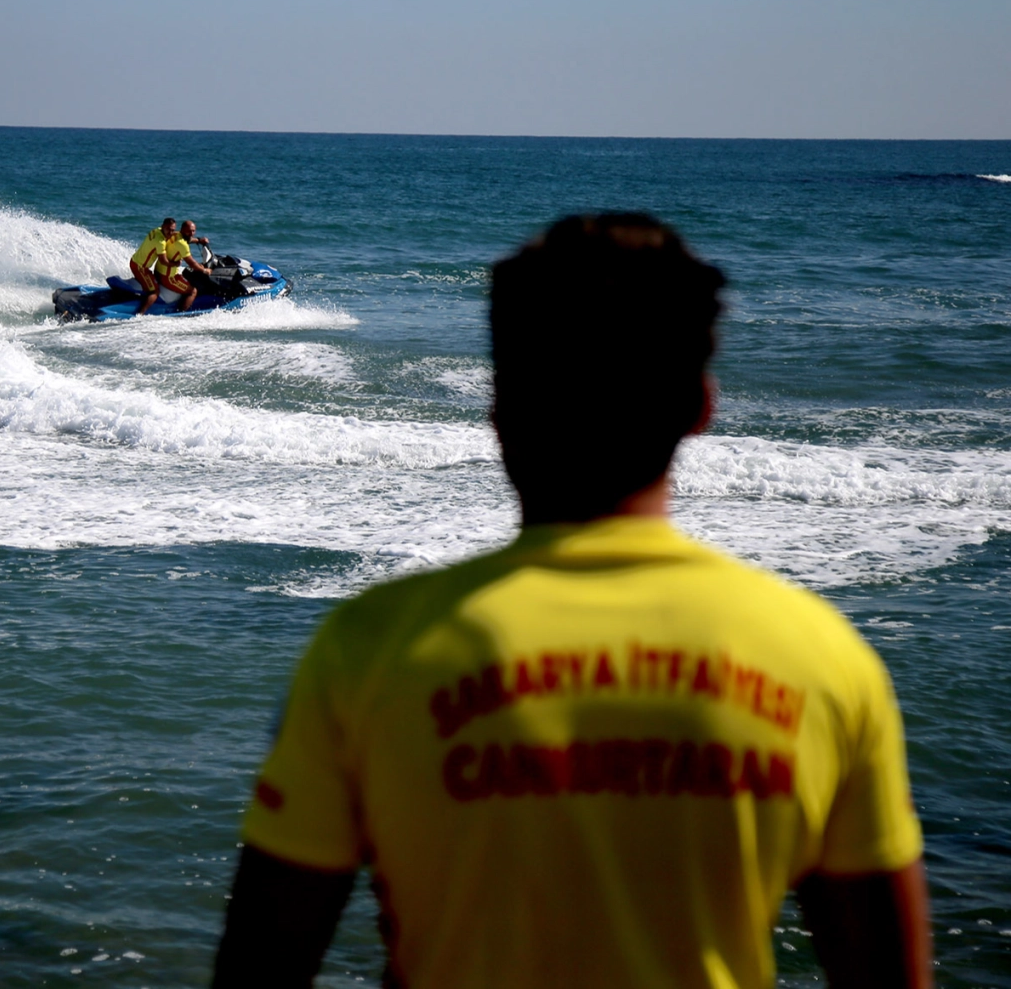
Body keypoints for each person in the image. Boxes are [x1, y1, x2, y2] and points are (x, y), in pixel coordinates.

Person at [212, 214, 930, 989]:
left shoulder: (370, 649)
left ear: (497, 406)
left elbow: (261, 968)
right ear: (700, 406)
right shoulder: (820, 658)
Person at [156, 220, 212, 312]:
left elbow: (188, 239)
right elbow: (192, 263)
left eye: (193, 231)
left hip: (159, 270)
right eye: (189, 231)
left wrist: (198, 240)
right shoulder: (182, 245)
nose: (191, 233)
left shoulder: (175, 234)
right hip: (168, 277)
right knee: (193, 291)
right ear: (182, 230)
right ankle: (181, 313)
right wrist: (205, 270)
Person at [129, 218, 176, 315]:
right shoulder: (160, 242)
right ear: (163, 227)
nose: (171, 233)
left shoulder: (156, 230)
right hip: (140, 268)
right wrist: (176, 264)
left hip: (134, 261)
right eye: (168, 229)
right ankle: (141, 314)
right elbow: (163, 261)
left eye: (173, 230)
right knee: (155, 291)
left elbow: (173, 234)